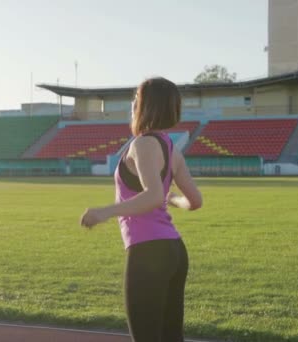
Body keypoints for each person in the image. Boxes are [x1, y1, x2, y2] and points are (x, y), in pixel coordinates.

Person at [80, 77, 203, 342]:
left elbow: (152, 195)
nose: (133, 103)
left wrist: (105, 212)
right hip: (174, 251)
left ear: (144, 106)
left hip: (149, 253)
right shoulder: (173, 150)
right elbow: (195, 201)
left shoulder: (143, 144)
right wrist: (171, 199)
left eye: (136, 98)